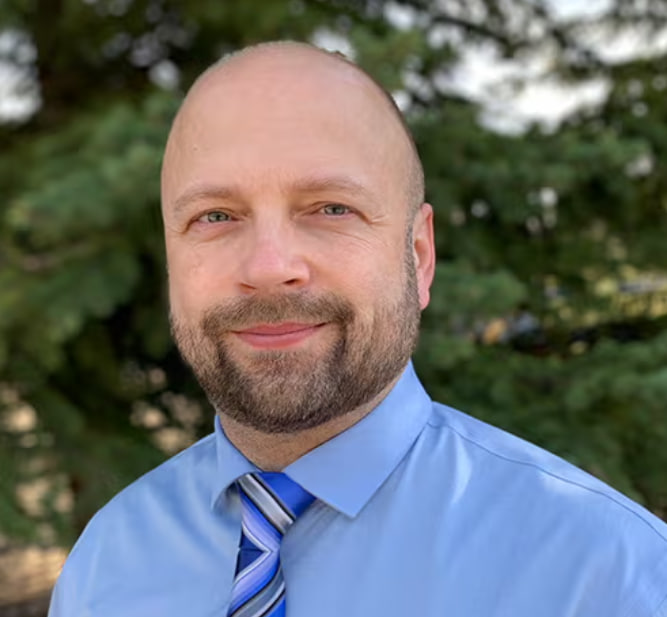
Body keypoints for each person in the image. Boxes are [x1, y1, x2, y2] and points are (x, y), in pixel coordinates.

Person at [49, 41, 667, 617]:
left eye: (331, 208)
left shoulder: (605, 575)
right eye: (215, 216)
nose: (269, 267)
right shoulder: (104, 568)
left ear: (419, 256)